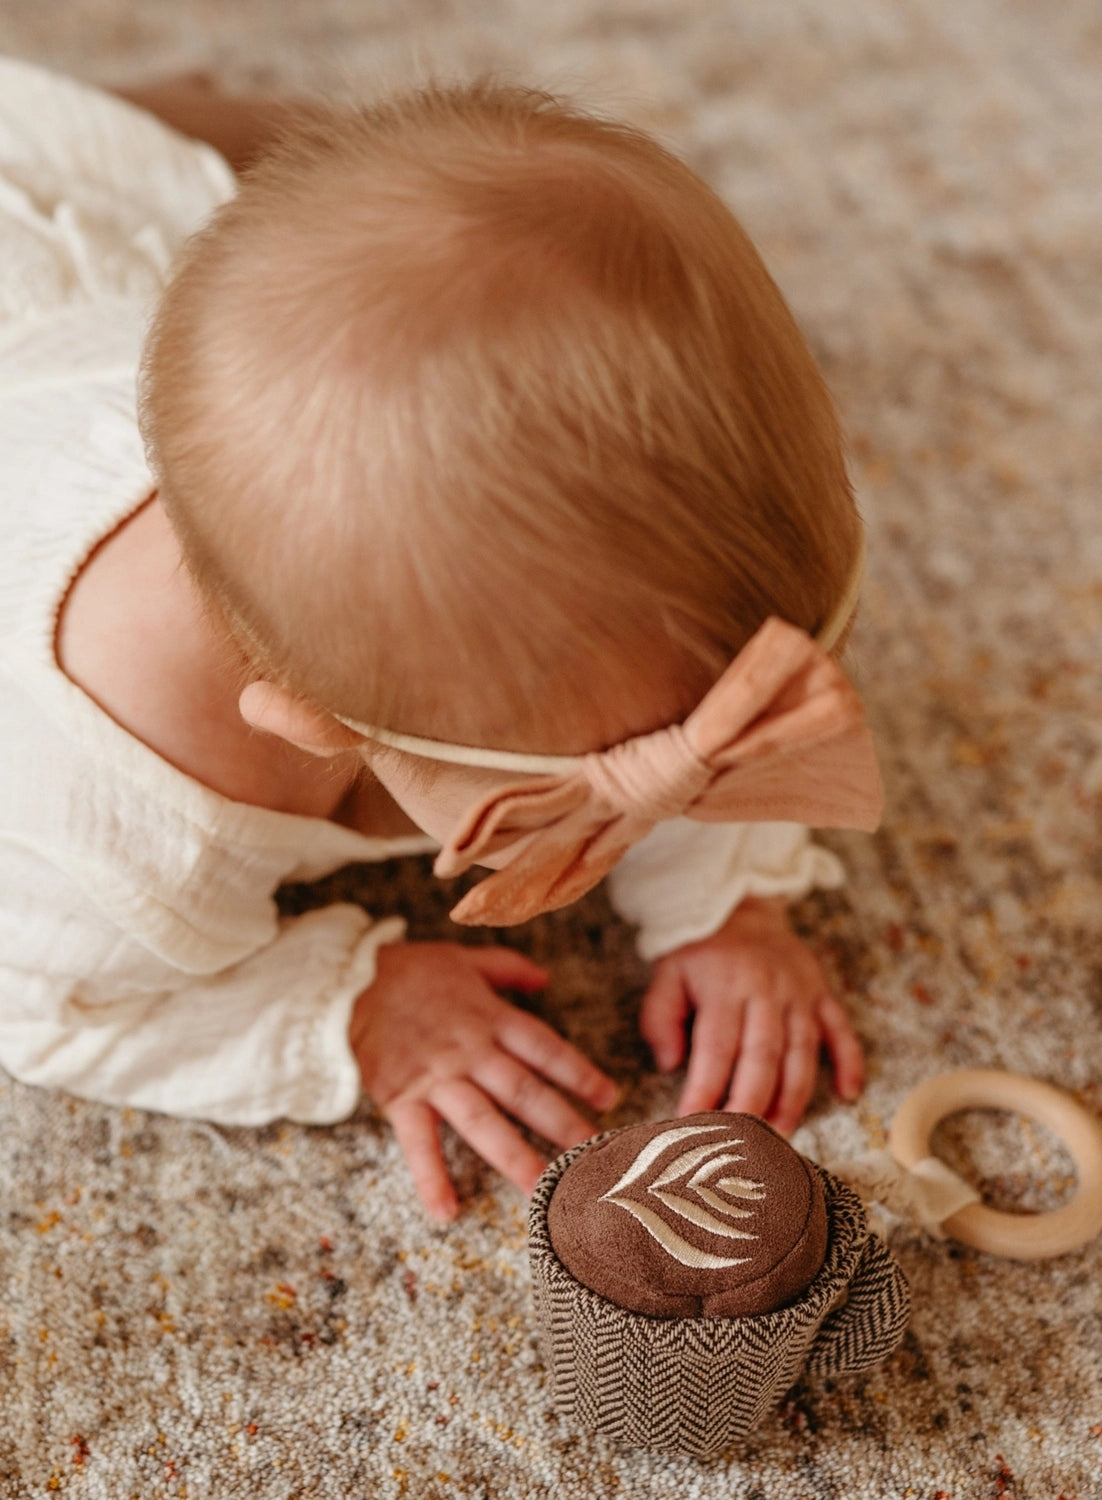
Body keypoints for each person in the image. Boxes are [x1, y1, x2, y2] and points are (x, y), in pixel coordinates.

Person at [0, 58, 882, 1221]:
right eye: (604, 793)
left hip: (119, 324)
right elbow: (48, 1009)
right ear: (310, 716)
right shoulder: (111, 838)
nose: (676, 784)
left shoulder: (373, 587)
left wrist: (727, 901)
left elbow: (671, 687)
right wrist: (348, 1012)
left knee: (397, 248)